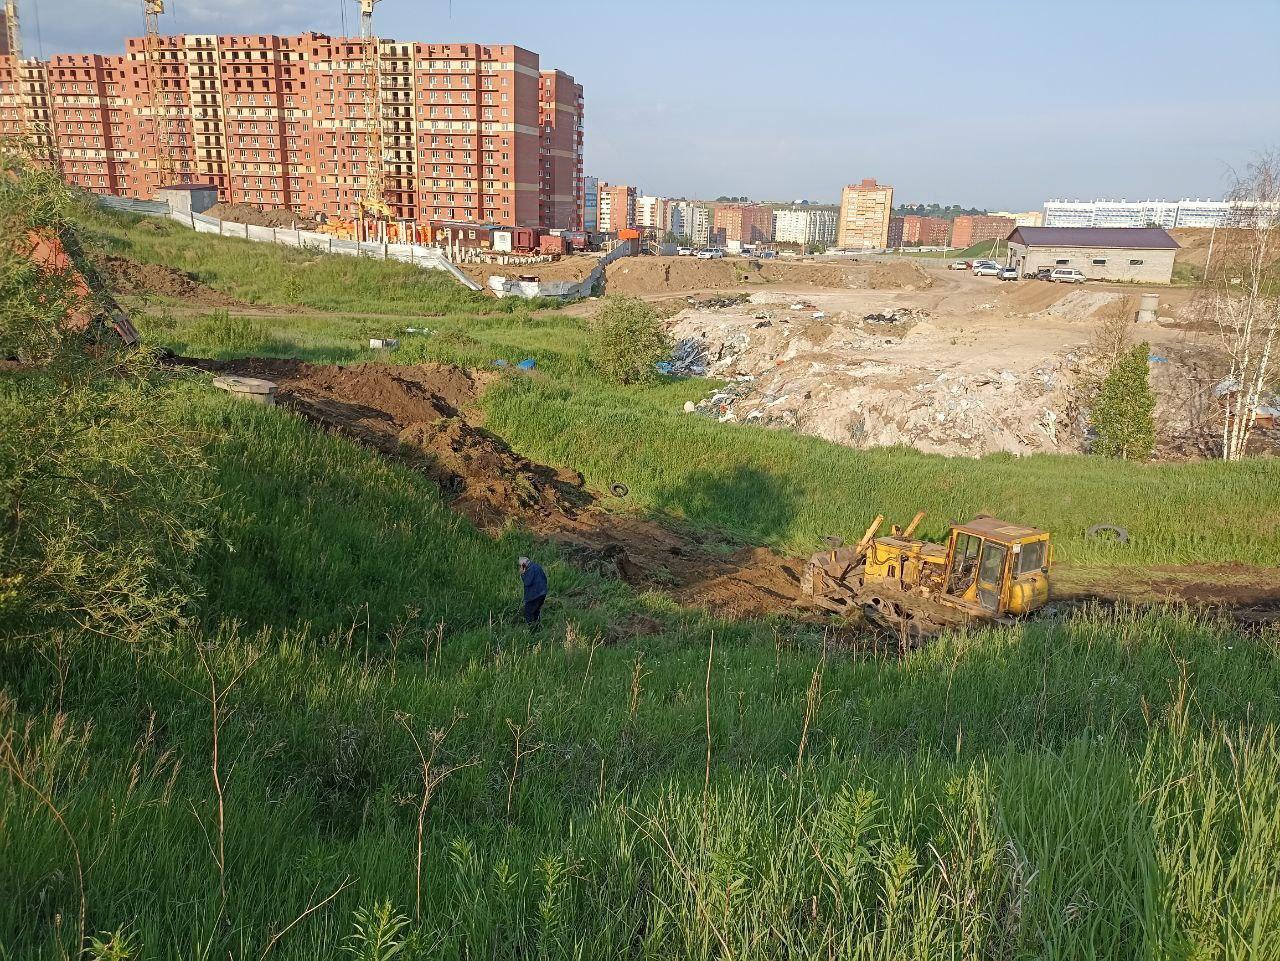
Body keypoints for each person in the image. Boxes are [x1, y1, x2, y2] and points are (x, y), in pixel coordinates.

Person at [518, 556, 548, 630]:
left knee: (528, 613)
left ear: (523, 565)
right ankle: (538, 629)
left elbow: (527, 582)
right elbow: (545, 578)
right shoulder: (537, 566)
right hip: (542, 593)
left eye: (520, 565)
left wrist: (522, 574)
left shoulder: (529, 570)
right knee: (536, 612)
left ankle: (532, 631)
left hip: (534, 595)